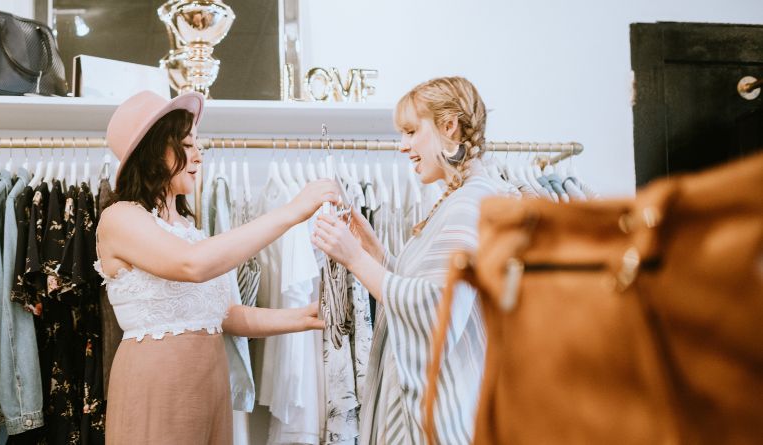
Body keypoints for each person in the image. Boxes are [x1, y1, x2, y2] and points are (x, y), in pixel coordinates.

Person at [96, 90, 340, 444]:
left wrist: (308, 317)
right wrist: (291, 212)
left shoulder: (188, 230)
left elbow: (225, 315)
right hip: (158, 385)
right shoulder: (119, 218)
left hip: (209, 383)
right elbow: (192, 265)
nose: (199, 155)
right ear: (152, 152)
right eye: (187, 144)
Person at [312, 76, 507, 444]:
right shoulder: (459, 199)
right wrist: (376, 251)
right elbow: (429, 287)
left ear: (449, 126)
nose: (403, 146)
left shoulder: (468, 204)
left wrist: (354, 258)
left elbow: (437, 309)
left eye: (411, 131)